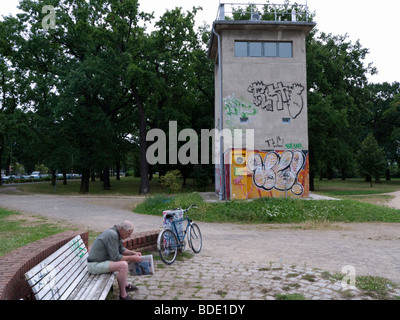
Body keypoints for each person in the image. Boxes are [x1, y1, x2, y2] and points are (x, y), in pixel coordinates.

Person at [87, 221, 142, 300]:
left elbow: (121, 250)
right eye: (128, 233)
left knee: (124, 261)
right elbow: (115, 257)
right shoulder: (112, 235)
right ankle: (123, 296)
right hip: (94, 265)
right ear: (122, 230)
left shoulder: (116, 232)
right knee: (123, 265)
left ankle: (125, 285)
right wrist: (132, 257)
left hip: (101, 262)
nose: (129, 236)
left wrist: (133, 253)